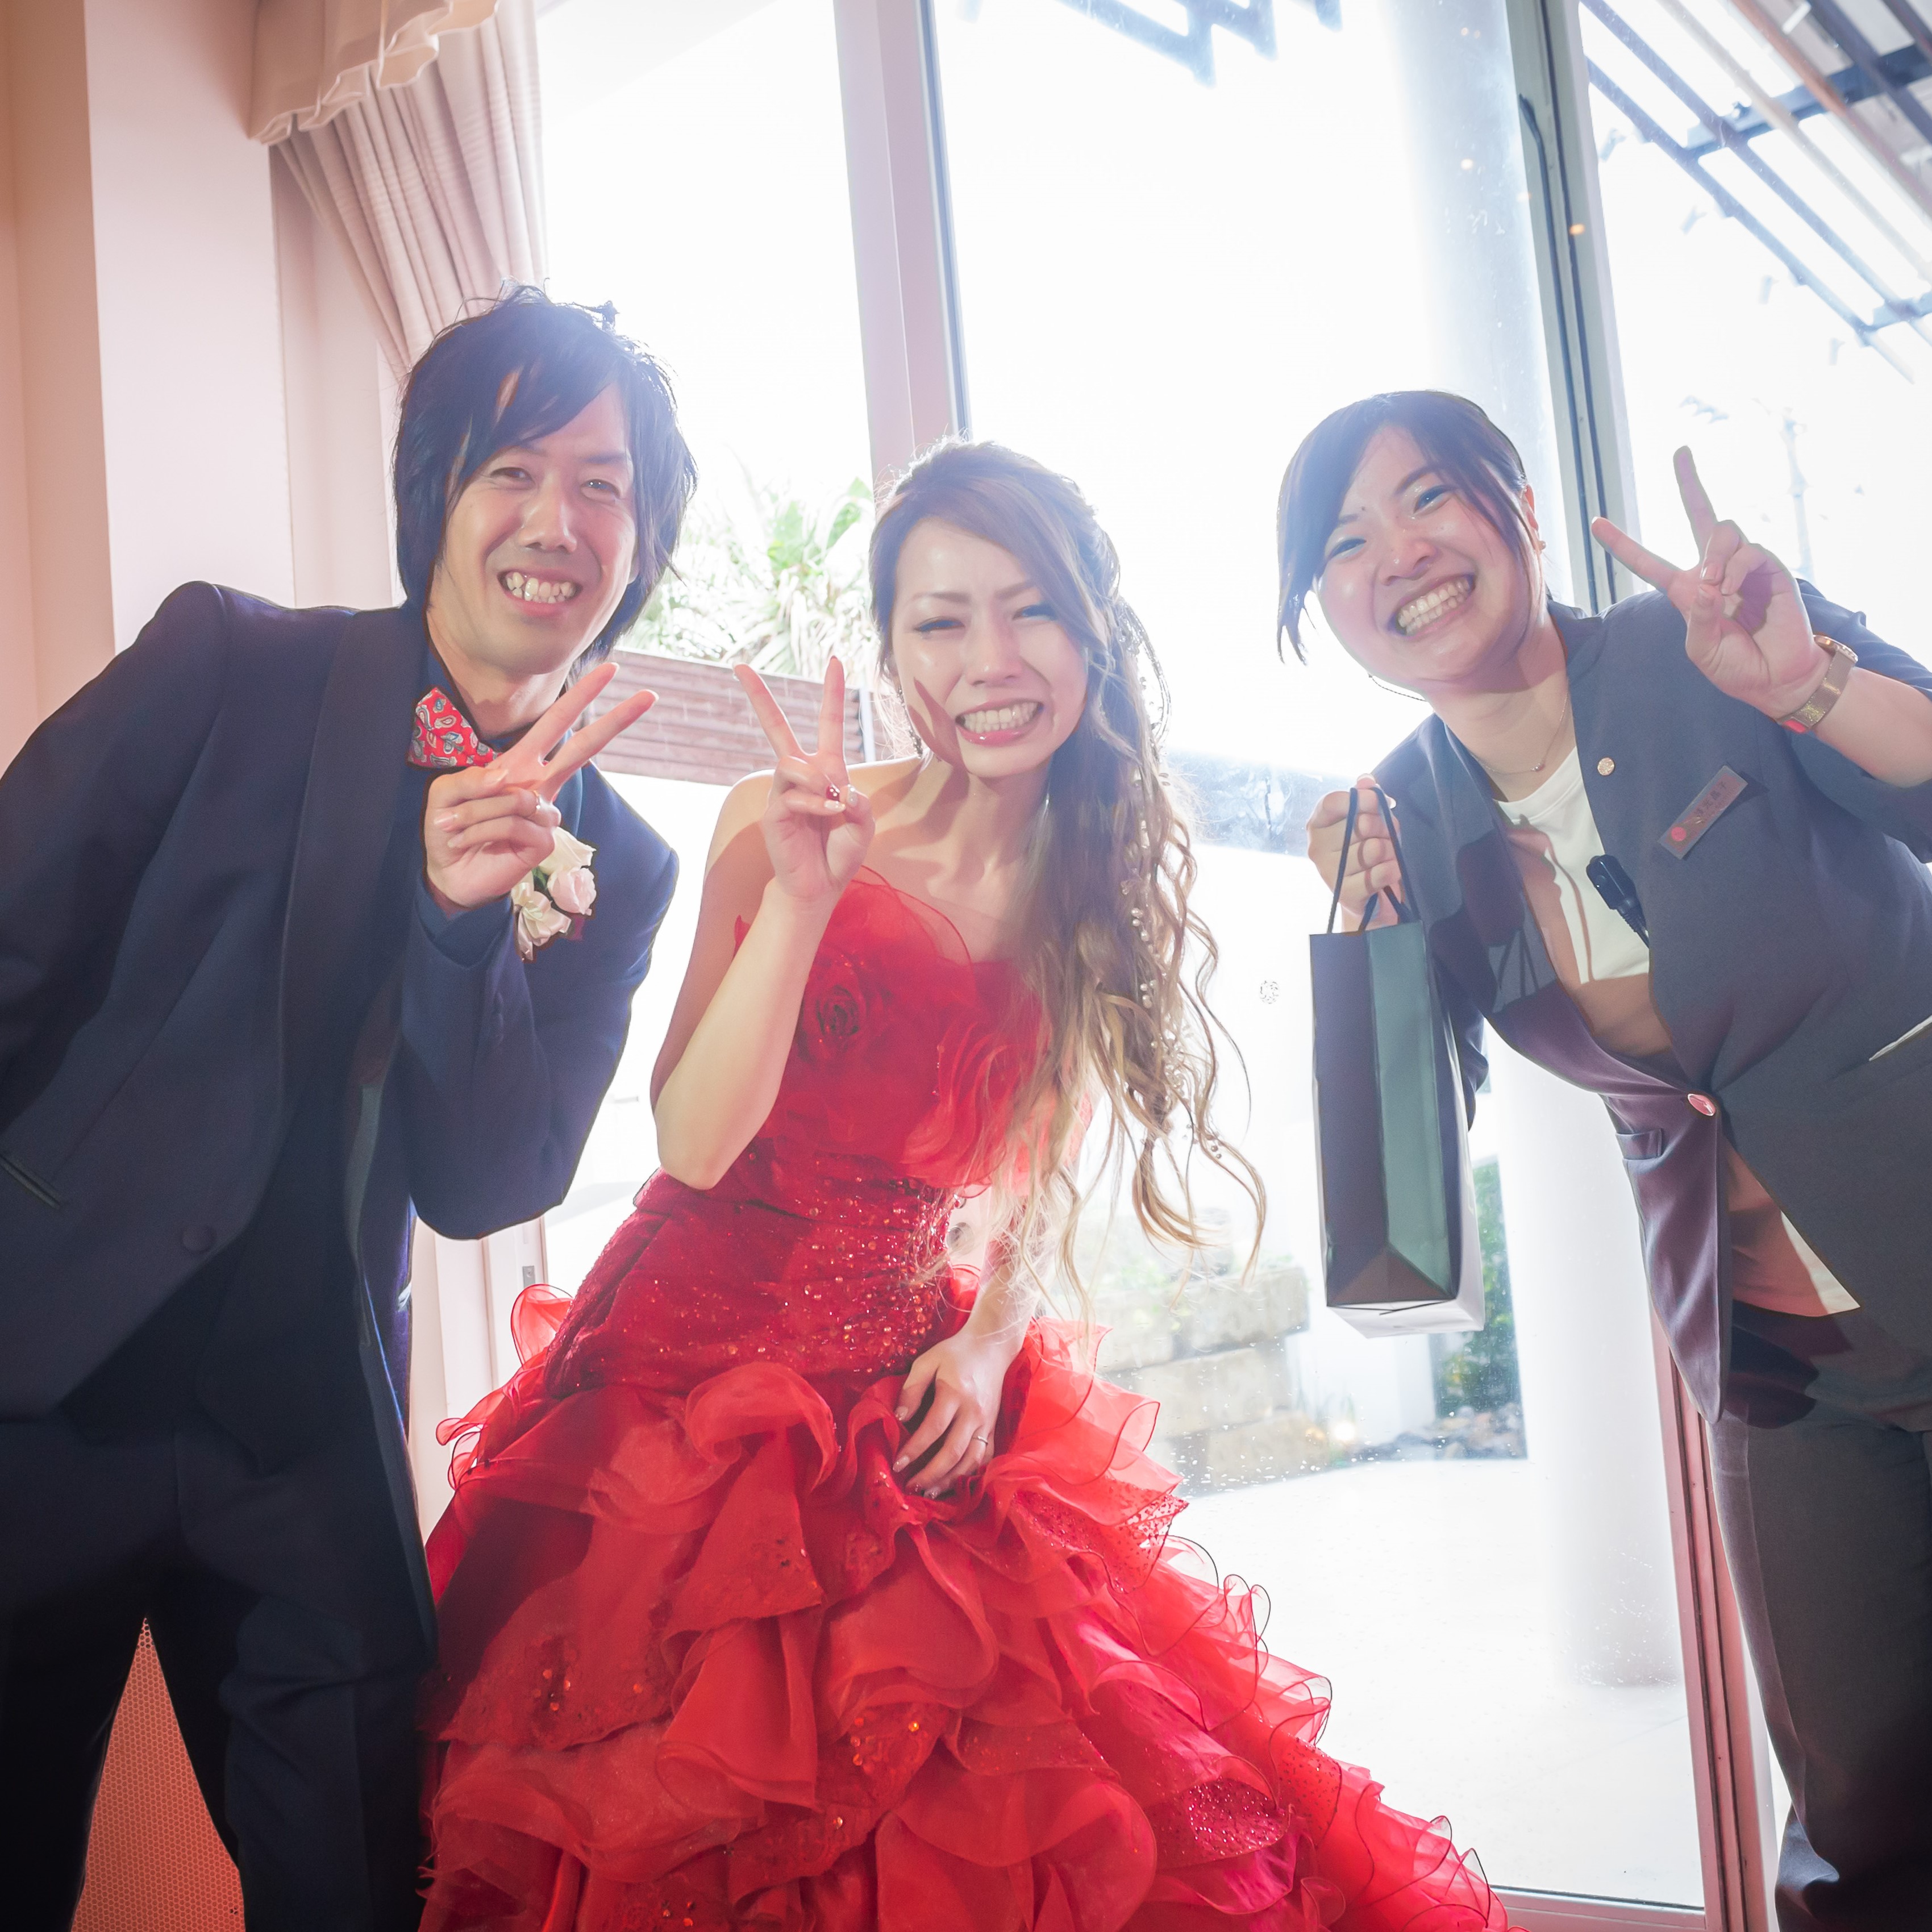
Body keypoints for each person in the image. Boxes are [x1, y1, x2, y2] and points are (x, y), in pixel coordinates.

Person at [418, 439, 1513, 1932]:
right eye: (940, 621)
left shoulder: (1095, 879)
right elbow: (691, 1144)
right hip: (684, 1400)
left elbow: (1043, 1151)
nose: (990, 661)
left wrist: (995, 1339)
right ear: (893, 654)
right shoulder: (773, 824)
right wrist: (803, 899)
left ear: (1090, 632)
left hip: (913, 1388)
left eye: (1029, 609)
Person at [0, 288, 696, 1930]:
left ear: (642, 540)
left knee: (366, 1887)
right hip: (43, 1391)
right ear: (433, 490)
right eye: (513, 470)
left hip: (302, 1434)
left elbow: (489, 1181)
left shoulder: (622, 861)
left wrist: (462, 931)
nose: (557, 520)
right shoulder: (229, 665)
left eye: (604, 485)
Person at [1284, 390, 1932, 1931]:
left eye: (1429, 498)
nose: (1400, 555)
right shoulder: (1401, 822)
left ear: (1516, 505)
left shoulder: (1704, 638)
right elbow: (1395, 1242)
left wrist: (1805, 683)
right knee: (1862, 1820)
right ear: (1329, 612)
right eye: (1346, 543)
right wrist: (1367, 946)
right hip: (1777, 1364)